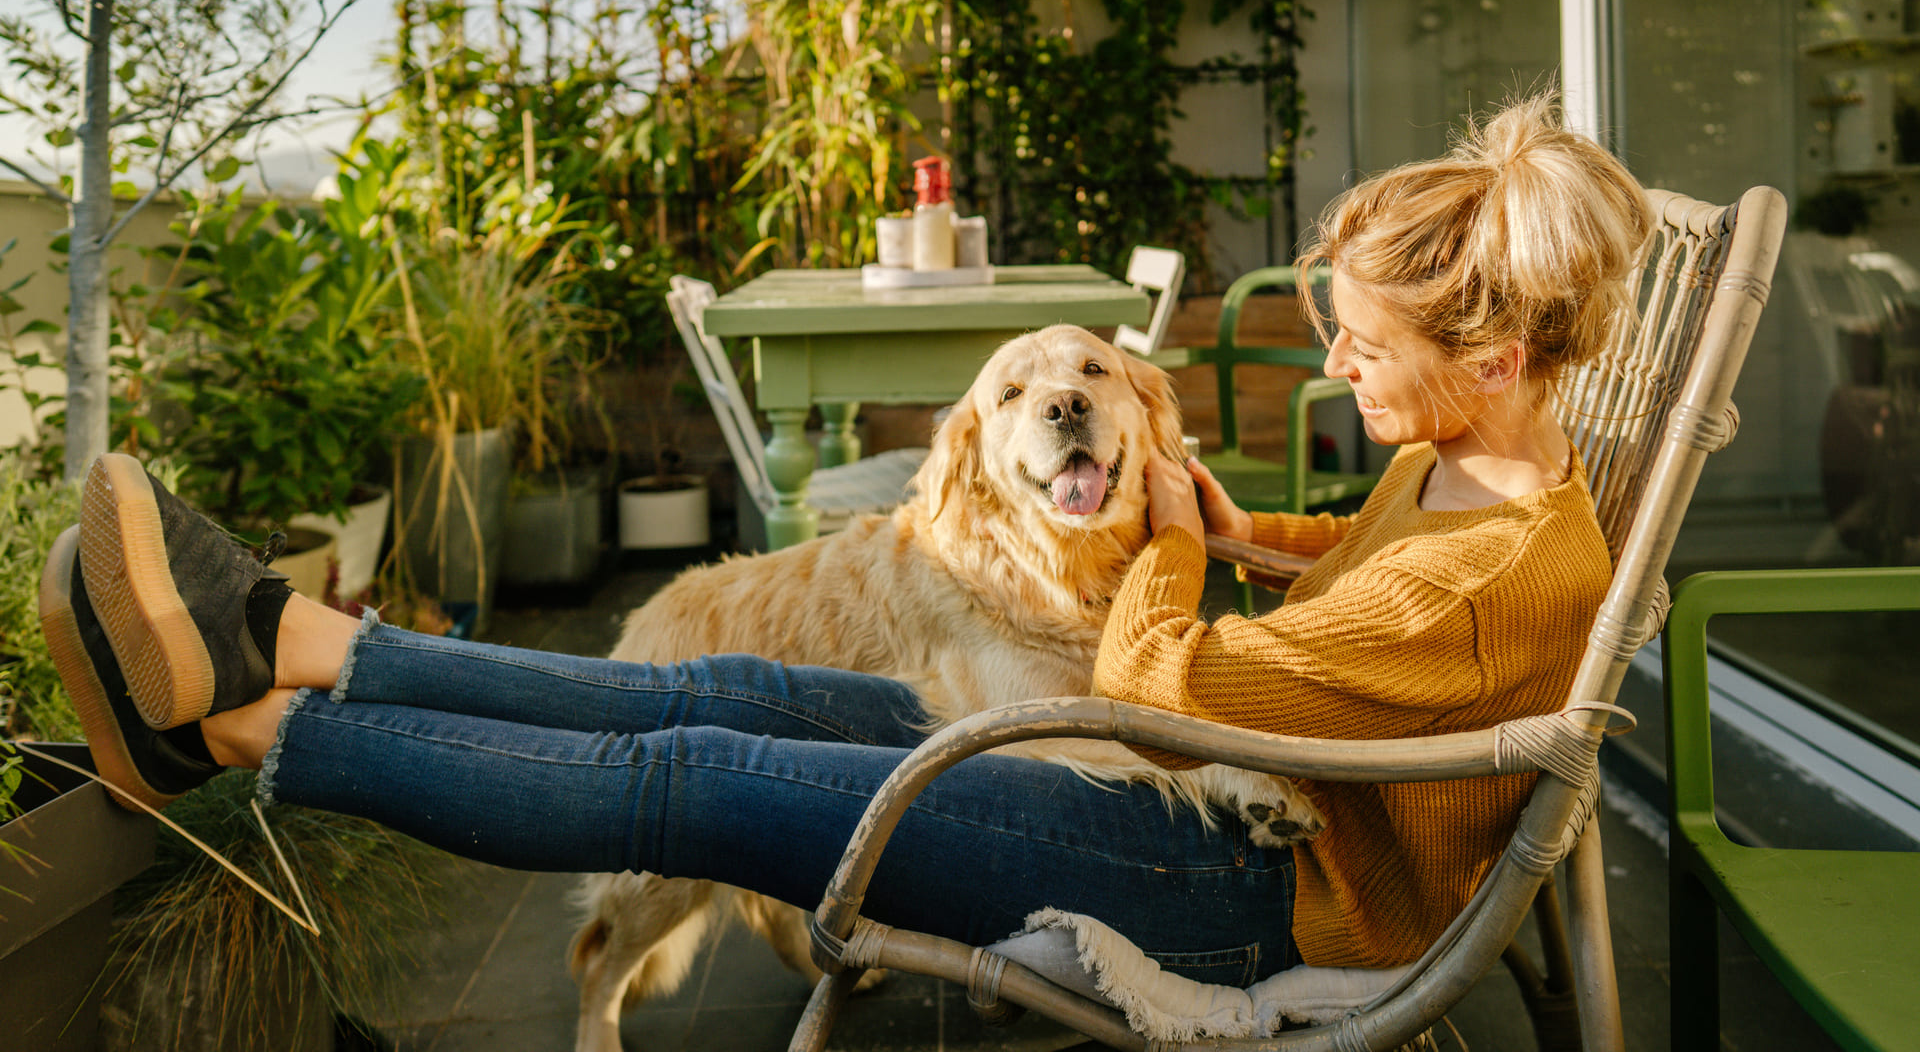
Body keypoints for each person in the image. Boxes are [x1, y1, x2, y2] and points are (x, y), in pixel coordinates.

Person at [41, 93, 1649, 985]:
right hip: (1151, 782)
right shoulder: (1485, 467)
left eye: (1366, 347)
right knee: (707, 695)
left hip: (1220, 875)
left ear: (1496, 353)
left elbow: (1177, 689)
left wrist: (1168, 534)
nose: (1338, 368)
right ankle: (298, 634)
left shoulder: (1500, 564)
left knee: (701, 788)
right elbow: (1366, 573)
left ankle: (246, 728)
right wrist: (1249, 526)